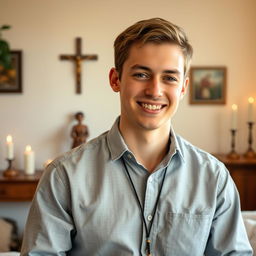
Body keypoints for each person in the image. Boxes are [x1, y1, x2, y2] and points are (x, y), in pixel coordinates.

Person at [20, 18, 252, 255]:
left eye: (170, 77)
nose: (154, 90)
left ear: (183, 87)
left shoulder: (213, 177)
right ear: (115, 79)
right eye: (141, 74)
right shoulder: (64, 176)